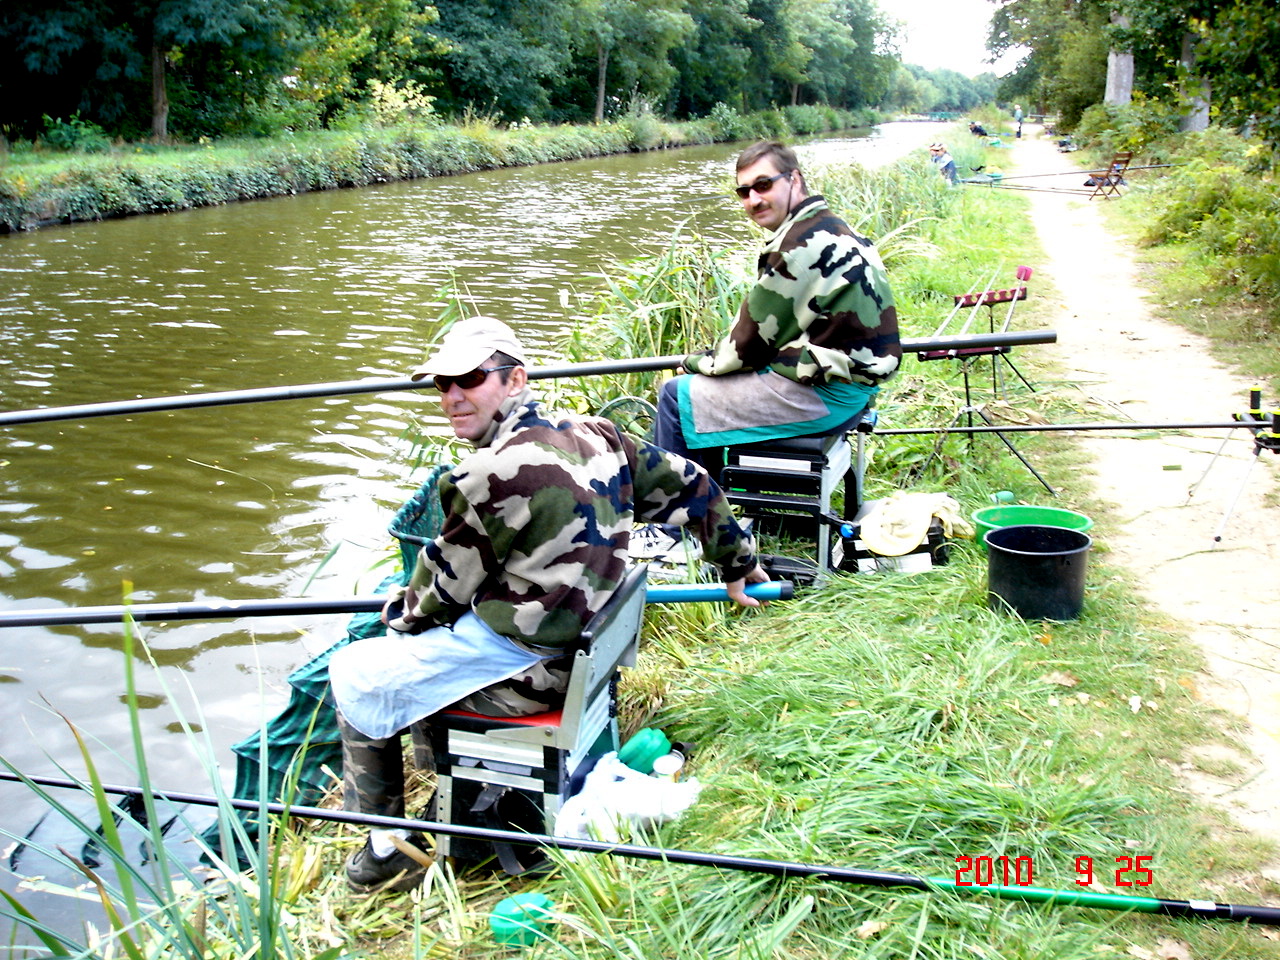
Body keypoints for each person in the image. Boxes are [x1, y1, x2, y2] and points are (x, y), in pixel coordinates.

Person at [328, 315, 768, 893]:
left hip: (531, 676)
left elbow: (435, 594)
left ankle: (385, 849)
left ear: (515, 380)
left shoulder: (485, 473)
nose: (454, 396)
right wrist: (739, 563)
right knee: (402, 659)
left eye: (470, 378)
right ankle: (453, 797)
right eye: (442, 384)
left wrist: (398, 615)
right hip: (587, 661)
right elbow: (693, 485)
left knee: (356, 674)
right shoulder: (597, 434)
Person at [645, 140, 899, 555]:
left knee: (678, 397)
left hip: (829, 395)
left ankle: (677, 538)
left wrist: (693, 362)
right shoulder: (828, 225)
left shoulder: (798, 245)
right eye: (743, 191)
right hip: (850, 383)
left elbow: (745, 346)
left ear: (794, 179)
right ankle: (712, 524)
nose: (753, 199)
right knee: (704, 395)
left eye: (763, 185)